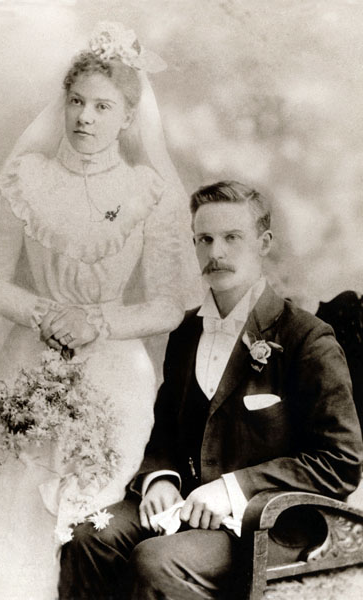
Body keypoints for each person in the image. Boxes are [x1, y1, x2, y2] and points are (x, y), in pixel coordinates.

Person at [0, 22, 201, 600]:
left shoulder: (150, 191)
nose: (85, 118)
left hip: (115, 373)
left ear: (128, 116)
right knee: (18, 512)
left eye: (102, 105)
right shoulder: (28, 178)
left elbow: (170, 304)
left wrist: (98, 321)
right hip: (30, 366)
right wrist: (43, 313)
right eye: (76, 102)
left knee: (91, 521)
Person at [59, 180, 363, 600]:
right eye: (204, 239)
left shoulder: (305, 338)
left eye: (232, 238)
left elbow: (341, 461)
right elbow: (166, 429)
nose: (215, 253)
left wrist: (233, 488)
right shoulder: (186, 330)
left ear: (264, 242)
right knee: (88, 537)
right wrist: (160, 478)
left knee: (156, 561)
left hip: (266, 524)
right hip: (182, 504)